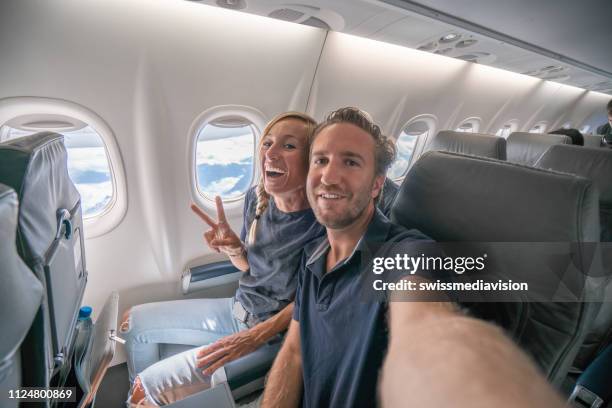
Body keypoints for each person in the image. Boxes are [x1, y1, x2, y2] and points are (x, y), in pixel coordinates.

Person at [261, 107, 565, 408]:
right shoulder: (313, 255)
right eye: (321, 161)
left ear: (377, 184)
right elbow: (294, 351)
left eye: (351, 162)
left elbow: (424, 327)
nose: (328, 176)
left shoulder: (407, 254)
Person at [122, 109, 401, 405]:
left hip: (271, 333)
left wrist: (251, 338)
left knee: (144, 391)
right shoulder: (256, 199)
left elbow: (314, 301)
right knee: (132, 324)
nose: (271, 153)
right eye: (267, 143)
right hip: (237, 308)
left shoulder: (326, 220)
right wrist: (235, 250)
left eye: (289, 146)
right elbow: (250, 268)